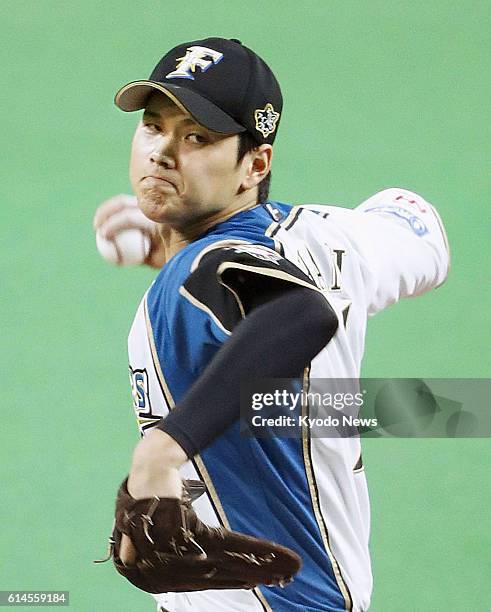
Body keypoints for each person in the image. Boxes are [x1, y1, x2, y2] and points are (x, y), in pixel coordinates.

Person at [93, 37, 450, 611]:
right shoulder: (328, 237)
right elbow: (418, 225)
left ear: (255, 164)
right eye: (154, 126)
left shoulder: (203, 270)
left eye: (197, 138)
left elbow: (298, 311)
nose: (162, 153)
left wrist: (161, 448)